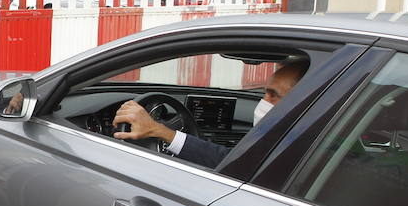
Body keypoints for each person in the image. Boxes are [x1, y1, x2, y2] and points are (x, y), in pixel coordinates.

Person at [112, 57, 309, 167]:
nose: (264, 101)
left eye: (273, 95)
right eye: (264, 92)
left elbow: (230, 162)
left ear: (301, 101)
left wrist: (159, 131)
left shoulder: (298, 148)